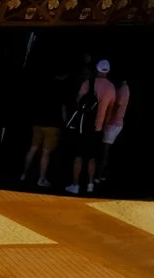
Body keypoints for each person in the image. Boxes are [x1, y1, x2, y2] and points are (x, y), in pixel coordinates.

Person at [59, 57, 105, 195]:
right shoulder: (108, 88)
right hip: (95, 128)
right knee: (92, 157)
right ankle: (90, 184)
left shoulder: (86, 85)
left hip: (81, 127)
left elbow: (78, 102)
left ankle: (75, 184)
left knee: (78, 156)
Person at [20, 67, 66, 188]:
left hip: (38, 121)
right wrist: (65, 122)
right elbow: (63, 107)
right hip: (52, 124)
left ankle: (24, 174)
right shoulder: (61, 87)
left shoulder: (41, 85)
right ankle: (41, 178)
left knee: (33, 148)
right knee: (46, 153)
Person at [95, 63, 131, 189]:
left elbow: (116, 106)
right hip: (115, 123)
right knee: (105, 150)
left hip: (113, 123)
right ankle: (101, 174)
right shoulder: (123, 87)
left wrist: (107, 120)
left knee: (104, 150)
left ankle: (100, 175)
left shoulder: (122, 88)